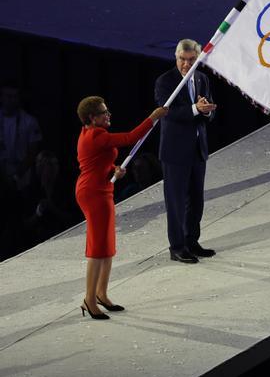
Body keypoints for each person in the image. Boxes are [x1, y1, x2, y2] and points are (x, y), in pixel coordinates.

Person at [74, 96, 167, 319]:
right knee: (97, 249)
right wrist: (152, 119)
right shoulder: (96, 135)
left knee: (106, 246)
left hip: (101, 188)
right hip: (93, 193)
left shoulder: (91, 133)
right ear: (91, 118)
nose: (108, 115)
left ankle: (101, 294)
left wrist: (113, 170)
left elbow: (97, 161)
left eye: (107, 111)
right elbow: (130, 138)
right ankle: (89, 300)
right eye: (103, 113)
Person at [155, 38, 217, 264]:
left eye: (191, 60)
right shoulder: (165, 81)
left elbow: (209, 111)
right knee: (176, 202)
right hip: (175, 153)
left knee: (196, 201)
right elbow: (168, 112)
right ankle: (177, 247)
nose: (186, 64)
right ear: (176, 57)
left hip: (198, 150)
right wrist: (195, 109)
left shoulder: (202, 79)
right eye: (182, 59)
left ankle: (192, 241)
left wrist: (208, 111)